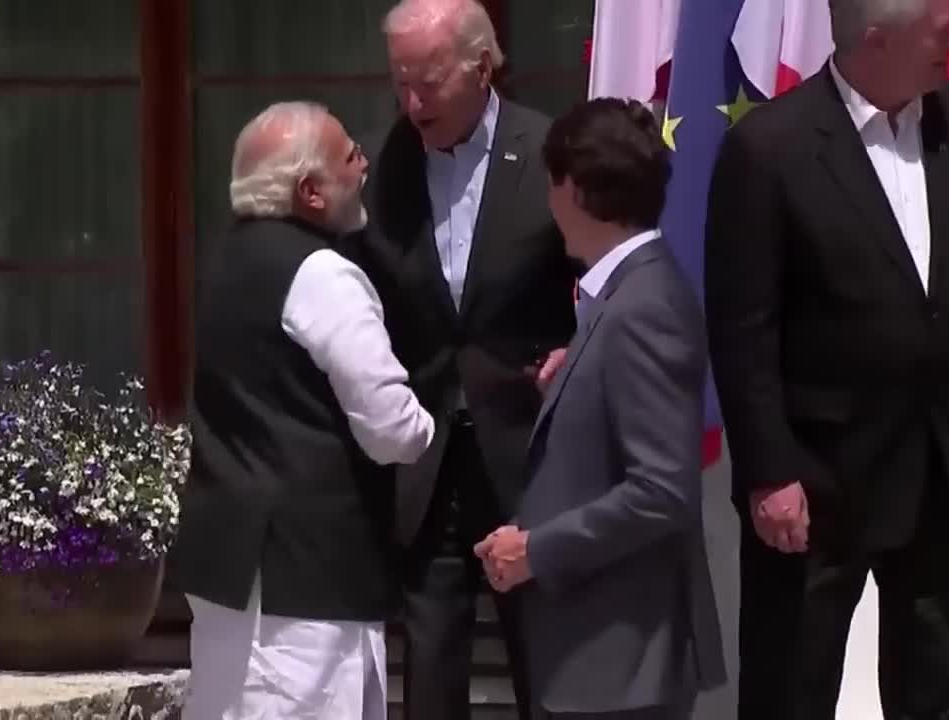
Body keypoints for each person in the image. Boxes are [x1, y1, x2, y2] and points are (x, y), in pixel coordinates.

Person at [704, 0, 949, 717]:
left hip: (942, 473)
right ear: (877, 42)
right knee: (789, 695)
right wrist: (770, 472)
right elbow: (743, 330)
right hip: (816, 482)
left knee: (946, 697)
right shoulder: (770, 149)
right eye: (940, 30)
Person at [341, 0, 578, 717]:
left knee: (546, 664)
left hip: (529, 451)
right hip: (427, 455)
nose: (413, 102)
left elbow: (607, 271)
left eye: (430, 81)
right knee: (432, 669)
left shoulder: (549, 153)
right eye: (400, 81)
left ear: (482, 66)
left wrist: (581, 348)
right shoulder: (385, 167)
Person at [166, 101, 435, 720]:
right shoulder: (323, 274)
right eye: (349, 157)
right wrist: (429, 425)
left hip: (234, 572)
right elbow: (392, 428)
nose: (365, 165)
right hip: (308, 583)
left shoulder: (223, 262)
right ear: (310, 191)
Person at [473, 98, 727, 720]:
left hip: (623, 661)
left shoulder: (642, 306)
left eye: (551, 181)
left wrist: (536, 550)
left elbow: (662, 490)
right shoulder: (621, 296)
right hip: (600, 655)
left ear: (577, 192)